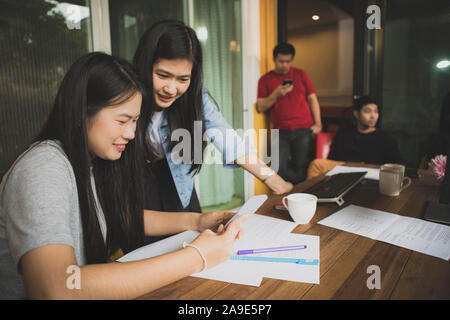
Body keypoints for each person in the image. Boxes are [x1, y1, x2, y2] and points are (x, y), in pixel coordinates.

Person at [0, 52, 246, 299]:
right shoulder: (43, 167)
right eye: (122, 121)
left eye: (135, 122)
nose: (130, 134)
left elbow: (121, 217)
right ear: (81, 113)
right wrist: (196, 257)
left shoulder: (91, 162)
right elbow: (55, 288)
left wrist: (196, 221)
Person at [133, 20, 293, 213]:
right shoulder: (126, 95)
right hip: (139, 191)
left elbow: (227, 137)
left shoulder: (195, 96)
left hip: (180, 187)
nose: (171, 89)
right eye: (163, 75)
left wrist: (274, 180)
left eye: (183, 79)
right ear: (146, 65)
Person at [256, 42, 322, 184]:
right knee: (276, 169)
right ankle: (290, 191)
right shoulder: (265, 79)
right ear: (274, 59)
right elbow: (261, 107)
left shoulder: (300, 74)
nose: (285, 65)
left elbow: (312, 98)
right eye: (281, 61)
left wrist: (318, 122)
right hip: (280, 131)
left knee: (301, 168)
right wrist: (276, 94)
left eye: (288, 61)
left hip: (303, 129)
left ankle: (296, 197)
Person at [306, 96, 404, 179]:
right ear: (356, 114)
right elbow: (333, 158)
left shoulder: (385, 138)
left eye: (376, 111)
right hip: (346, 169)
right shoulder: (345, 132)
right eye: (368, 111)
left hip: (372, 171)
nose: (373, 116)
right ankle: (309, 198)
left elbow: (397, 165)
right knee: (316, 164)